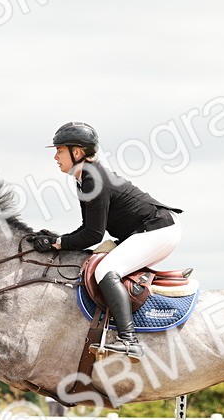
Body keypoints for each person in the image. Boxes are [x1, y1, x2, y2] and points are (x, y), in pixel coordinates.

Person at [30, 121, 182, 362]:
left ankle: (129, 341)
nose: (56, 157)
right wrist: (57, 239)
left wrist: (57, 243)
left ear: (77, 152)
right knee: (97, 262)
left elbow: (92, 236)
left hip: (157, 231)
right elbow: (89, 229)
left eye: (59, 150)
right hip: (144, 231)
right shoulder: (84, 178)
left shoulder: (92, 179)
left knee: (105, 270)